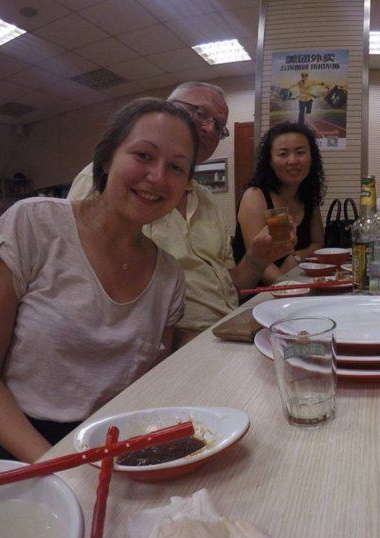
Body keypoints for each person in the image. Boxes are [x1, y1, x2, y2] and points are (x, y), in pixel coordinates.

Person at [0, 98, 197, 462]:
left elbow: (145, 394)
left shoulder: (169, 277)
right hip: (21, 446)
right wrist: (60, 467)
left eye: (176, 168)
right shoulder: (33, 224)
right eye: (143, 155)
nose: (157, 177)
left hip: (113, 448)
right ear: (106, 159)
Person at [68, 82, 293, 347]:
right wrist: (174, 344)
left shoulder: (206, 199)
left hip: (229, 331)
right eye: (199, 112)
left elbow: (226, 282)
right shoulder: (115, 179)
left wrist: (256, 258)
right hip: (173, 346)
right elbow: (85, 288)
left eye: (219, 126)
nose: (209, 128)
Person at [234, 121, 326, 284]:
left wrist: (295, 257)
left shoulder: (308, 194)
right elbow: (258, 260)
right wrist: (290, 286)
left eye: (300, 152)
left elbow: (317, 243)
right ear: (270, 160)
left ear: (311, 157)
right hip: (257, 293)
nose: (293, 160)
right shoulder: (255, 196)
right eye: (283, 154)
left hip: (295, 285)